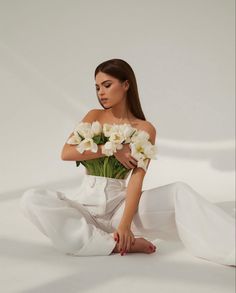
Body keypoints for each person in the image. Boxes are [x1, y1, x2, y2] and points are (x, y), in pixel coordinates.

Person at [20, 59, 235, 266]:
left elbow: (137, 179)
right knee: (32, 199)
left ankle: (230, 249)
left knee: (180, 191)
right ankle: (110, 244)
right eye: (97, 87)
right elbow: (66, 153)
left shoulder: (145, 128)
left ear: (125, 85)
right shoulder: (94, 116)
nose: (100, 93)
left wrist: (124, 226)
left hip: (121, 211)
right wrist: (111, 150)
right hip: (84, 209)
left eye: (107, 85)